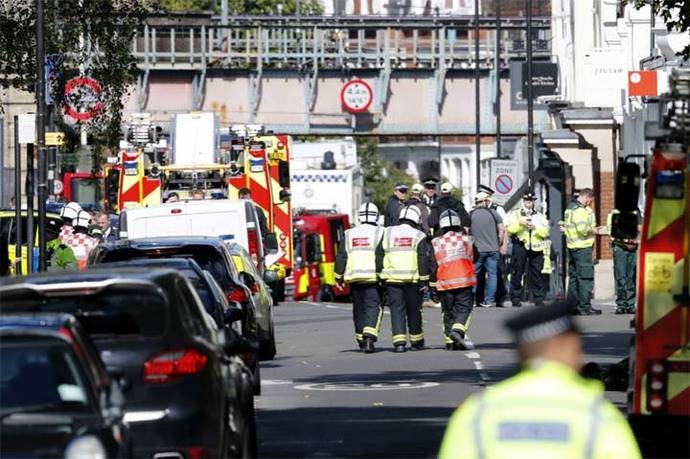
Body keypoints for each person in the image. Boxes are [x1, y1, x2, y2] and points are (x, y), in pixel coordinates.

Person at [439, 301, 641, 459]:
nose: (580, 356)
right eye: (576, 347)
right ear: (562, 347)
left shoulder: (477, 413)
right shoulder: (596, 415)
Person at [376, 205, 431, 352]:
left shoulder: (387, 232)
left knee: (396, 310)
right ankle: (416, 342)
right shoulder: (419, 235)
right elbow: (422, 259)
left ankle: (399, 343)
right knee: (414, 311)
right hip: (412, 280)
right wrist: (424, 280)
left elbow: (379, 255)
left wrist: (379, 275)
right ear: (416, 219)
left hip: (392, 279)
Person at [335, 202, 384, 353]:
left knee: (359, 309)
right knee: (373, 307)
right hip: (373, 277)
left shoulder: (349, 233)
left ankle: (361, 339)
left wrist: (338, 276)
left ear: (360, 217)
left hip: (354, 277)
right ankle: (369, 338)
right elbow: (382, 255)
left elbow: (342, 256)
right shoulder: (381, 232)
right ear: (376, 216)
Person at [430, 210, 477, 351]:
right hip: (464, 279)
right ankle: (458, 331)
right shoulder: (467, 239)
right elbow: (477, 256)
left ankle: (449, 342)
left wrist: (432, 286)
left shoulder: (436, 242)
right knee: (464, 308)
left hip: (445, 281)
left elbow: (432, 265)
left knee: (447, 311)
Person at [560, 188, 601, 315]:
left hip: (572, 247)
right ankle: (585, 307)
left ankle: (573, 306)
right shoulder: (580, 211)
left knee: (573, 277)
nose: (590, 203)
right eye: (590, 200)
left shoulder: (569, 209)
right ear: (587, 197)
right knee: (585, 277)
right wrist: (594, 230)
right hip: (583, 248)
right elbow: (583, 229)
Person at [505, 192, 550, 307]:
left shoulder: (539, 215)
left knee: (537, 272)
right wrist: (521, 224)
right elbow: (510, 230)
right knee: (517, 271)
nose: (529, 203)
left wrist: (536, 228)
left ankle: (538, 297)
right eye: (527, 201)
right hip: (520, 245)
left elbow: (546, 231)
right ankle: (515, 297)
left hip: (536, 246)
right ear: (523, 201)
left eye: (531, 201)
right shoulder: (516, 214)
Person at [471, 191, 506, 308]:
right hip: (493, 249)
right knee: (492, 275)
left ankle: (472, 300)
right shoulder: (494, 213)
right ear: (485, 201)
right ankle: (490, 301)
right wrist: (499, 242)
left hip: (478, 250)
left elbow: (466, 232)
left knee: (474, 275)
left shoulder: (471, 214)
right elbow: (502, 230)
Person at [607, 208, 642, 314]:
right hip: (620, 247)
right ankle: (621, 305)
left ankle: (630, 305)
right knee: (621, 276)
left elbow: (640, 227)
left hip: (632, 247)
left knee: (631, 276)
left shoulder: (636, 211)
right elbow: (611, 230)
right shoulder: (615, 212)